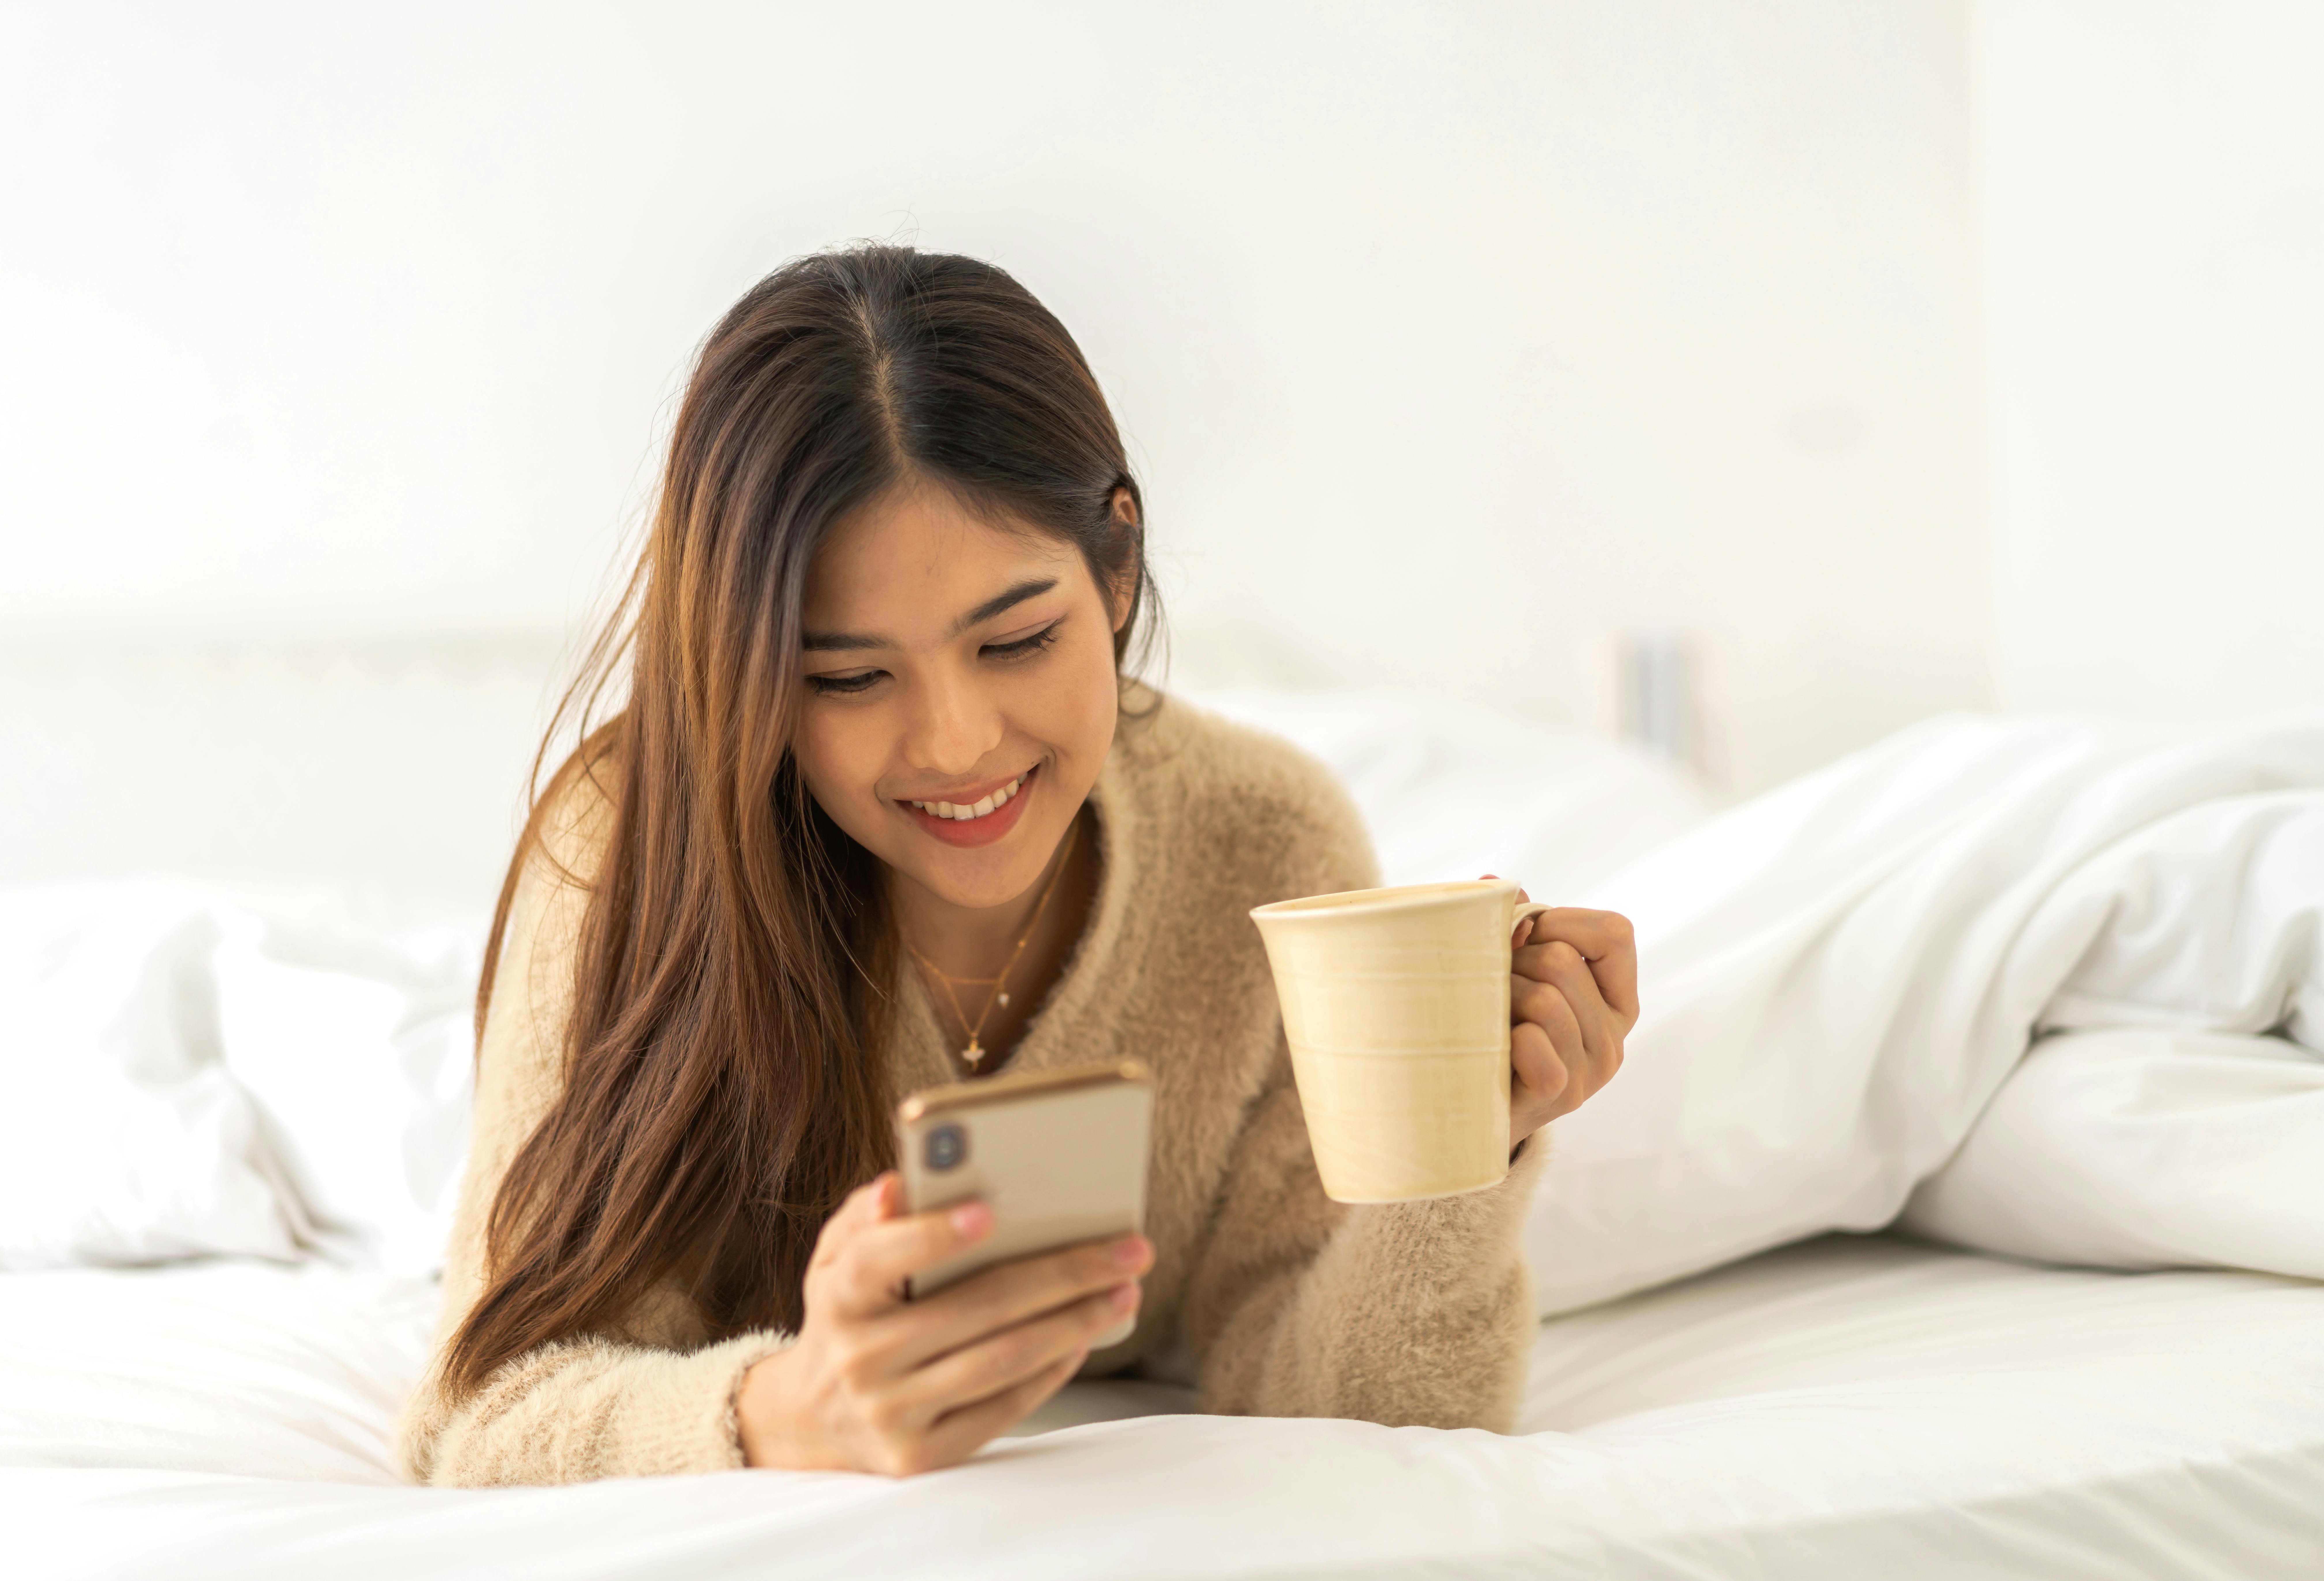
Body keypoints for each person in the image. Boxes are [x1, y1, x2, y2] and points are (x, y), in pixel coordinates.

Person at [396, 246, 1637, 1485]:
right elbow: (486, 1417)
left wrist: (1465, 1153)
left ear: (1114, 565)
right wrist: (784, 1412)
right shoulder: (628, 851)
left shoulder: (1263, 840)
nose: (954, 743)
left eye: (1017, 638)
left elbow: (1348, 1403)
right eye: (845, 676)